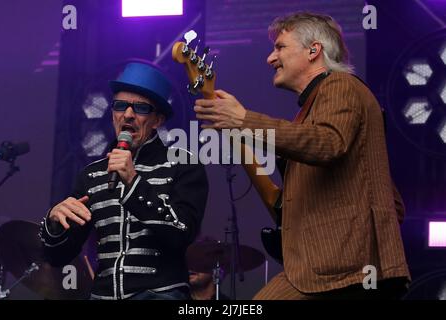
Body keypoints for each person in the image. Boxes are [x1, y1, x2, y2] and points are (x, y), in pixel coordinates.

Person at [194, 12, 410, 300]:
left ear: (313, 50)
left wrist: (244, 120)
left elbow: (328, 143)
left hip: (338, 271)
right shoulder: (314, 107)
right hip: (334, 268)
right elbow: (392, 202)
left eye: (280, 47)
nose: (270, 59)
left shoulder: (339, 85)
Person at [39, 62, 209, 300]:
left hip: (160, 295)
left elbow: (182, 233)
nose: (128, 114)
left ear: (158, 120)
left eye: (140, 108)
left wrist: (133, 181)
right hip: (103, 296)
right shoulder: (92, 175)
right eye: (120, 105)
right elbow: (58, 257)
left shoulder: (183, 164)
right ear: (112, 114)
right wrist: (54, 223)